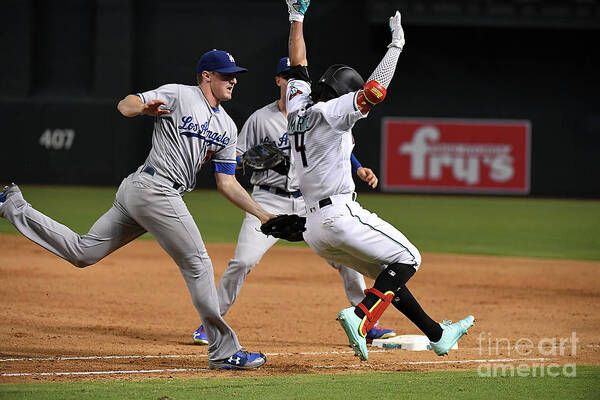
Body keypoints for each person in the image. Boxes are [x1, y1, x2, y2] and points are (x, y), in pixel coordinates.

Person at [0, 49, 273, 370]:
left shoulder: (227, 126)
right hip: (154, 189)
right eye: (226, 75)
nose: (233, 80)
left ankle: (13, 205)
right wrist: (143, 107)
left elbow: (227, 184)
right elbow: (124, 104)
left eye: (234, 75)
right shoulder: (180, 95)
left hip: (146, 192)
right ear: (206, 76)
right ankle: (224, 351)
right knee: (198, 264)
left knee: (83, 252)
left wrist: (264, 215)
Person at [283, 0, 474, 361]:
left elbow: (297, 63)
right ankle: (359, 317)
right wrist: (396, 46)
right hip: (338, 215)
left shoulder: (297, 104)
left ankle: (438, 334)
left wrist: (296, 16)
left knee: (391, 278)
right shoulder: (333, 110)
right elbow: (374, 91)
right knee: (410, 259)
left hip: (314, 228)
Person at [192, 57, 397, 345]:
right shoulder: (260, 119)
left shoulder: (315, 111)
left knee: (347, 260)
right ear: (278, 80)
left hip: (308, 203)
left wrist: (357, 166)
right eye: (286, 76)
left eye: (296, 77)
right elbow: (235, 160)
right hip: (268, 200)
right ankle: (211, 323)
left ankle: (364, 319)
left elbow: (336, 145)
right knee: (242, 262)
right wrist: (257, 159)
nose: (292, 82)